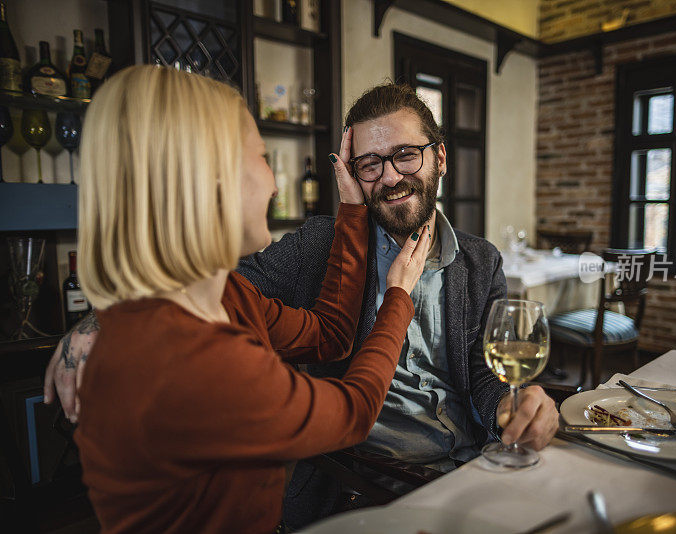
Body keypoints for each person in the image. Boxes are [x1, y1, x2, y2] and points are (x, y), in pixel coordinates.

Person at [45, 83, 559, 527]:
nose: (390, 177)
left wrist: (512, 405)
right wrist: (97, 323)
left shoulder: (480, 260)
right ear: (354, 172)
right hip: (367, 485)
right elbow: (202, 290)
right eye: (370, 163)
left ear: (439, 157)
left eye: (406, 155)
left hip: (471, 468)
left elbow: (483, 373)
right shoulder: (320, 244)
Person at [64, 65, 430, 533]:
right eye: (261, 157)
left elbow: (331, 336)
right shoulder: (199, 358)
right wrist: (398, 296)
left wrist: (353, 210)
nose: (275, 184)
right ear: (211, 180)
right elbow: (354, 411)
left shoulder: (226, 296)